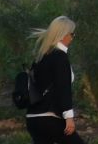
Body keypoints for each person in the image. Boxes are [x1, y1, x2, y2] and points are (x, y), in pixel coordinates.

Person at [21, 15, 80, 143]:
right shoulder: (60, 57)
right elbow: (63, 88)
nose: (73, 38)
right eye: (72, 34)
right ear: (64, 35)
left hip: (33, 119)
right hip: (50, 118)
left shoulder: (40, 57)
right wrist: (69, 117)